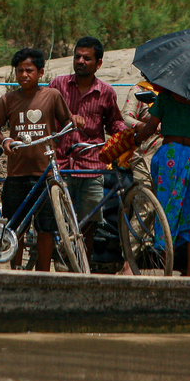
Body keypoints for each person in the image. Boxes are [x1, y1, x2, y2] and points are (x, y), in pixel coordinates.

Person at [0, 47, 73, 271]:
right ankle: (16, 272)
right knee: (16, 228)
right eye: (19, 71)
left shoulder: (52, 96)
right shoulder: (8, 99)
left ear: (41, 72)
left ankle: (43, 275)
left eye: (29, 70)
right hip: (16, 172)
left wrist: (63, 140)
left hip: (44, 173)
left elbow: (66, 122)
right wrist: (4, 141)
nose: (24, 75)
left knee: (46, 228)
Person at [130, 86, 190, 277]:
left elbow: (149, 128)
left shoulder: (164, 98)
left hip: (170, 160)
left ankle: (167, 270)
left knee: (167, 212)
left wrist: (134, 140)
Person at [49, 36, 127, 252]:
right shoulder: (57, 86)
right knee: (54, 220)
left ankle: (84, 268)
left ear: (98, 63)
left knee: (89, 222)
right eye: (78, 57)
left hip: (91, 167)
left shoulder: (106, 92)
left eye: (87, 58)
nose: (81, 61)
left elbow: (114, 123)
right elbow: (44, 114)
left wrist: (128, 133)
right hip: (61, 164)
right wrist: (67, 119)